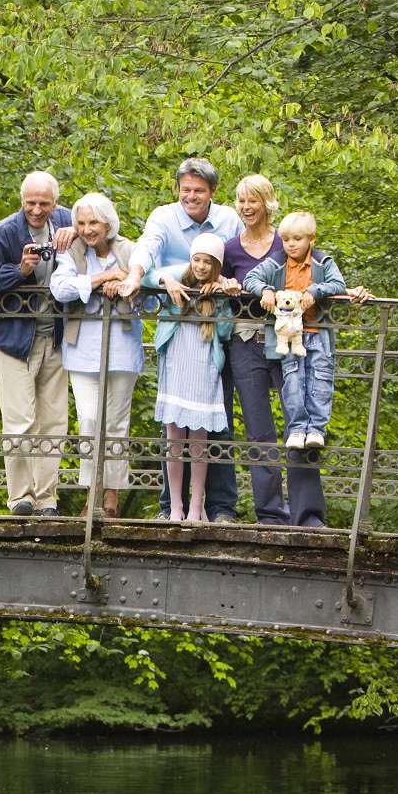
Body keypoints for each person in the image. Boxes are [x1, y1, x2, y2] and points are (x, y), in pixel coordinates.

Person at [128, 158, 241, 521]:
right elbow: (145, 251)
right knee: (175, 425)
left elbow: (237, 265)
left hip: (215, 331)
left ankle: (218, 506)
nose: (190, 196)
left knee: (215, 420)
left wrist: (227, 284)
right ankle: (170, 506)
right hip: (177, 330)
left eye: (199, 191)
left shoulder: (228, 220)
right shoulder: (164, 217)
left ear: (212, 193)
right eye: (185, 189)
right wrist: (164, 278)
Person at [0, 171, 75, 517]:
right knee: (19, 421)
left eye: (44, 203)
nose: (37, 209)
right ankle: (20, 498)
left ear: (55, 203)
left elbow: (102, 234)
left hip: (56, 337)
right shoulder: (4, 233)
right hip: (15, 340)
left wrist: (75, 232)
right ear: (22, 201)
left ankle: (47, 499)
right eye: (30, 202)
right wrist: (20, 271)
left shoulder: (65, 221)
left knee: (54, 421)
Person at [243, 211, 370, 466]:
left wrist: (314, 290)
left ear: (311, 240)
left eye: (297, 239)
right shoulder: (277, 261)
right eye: (287, 239)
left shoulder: (323, 262)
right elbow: (250, 278)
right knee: (293, 380)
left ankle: (316, 430)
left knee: (320, 379)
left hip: (317, 332)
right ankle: (297, 428)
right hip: (289, 334)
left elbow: (337, 283)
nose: (291, 244)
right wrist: (265, 290)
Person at [48, 192, 142, 519]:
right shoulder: (73, 251)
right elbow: (60, 290)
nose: (88, 230)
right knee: (89, 421)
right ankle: (92, 493)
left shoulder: (129, 250)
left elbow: (143, 286)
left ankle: (112, 496)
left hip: (122, 348)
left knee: (116, 423)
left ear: (108, 223)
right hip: (82, 349)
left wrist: (126, 280)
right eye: (82, 223)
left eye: (94, 223)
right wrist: (103, 278)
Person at [218, 174, 303, 525]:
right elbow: (212, 281)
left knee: (298, 422)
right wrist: (225, 283)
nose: (246, 207)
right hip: (244, 341)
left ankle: (303, 511)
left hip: (284, 339)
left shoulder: (283, 245)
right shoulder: (230, 248)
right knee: (259, 429)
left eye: (253, 200)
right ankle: (270, 513)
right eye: (241, 200)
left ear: (267, 203)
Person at [151, 234, 233, 523]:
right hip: (176, 362)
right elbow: (148, 275)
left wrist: (221, 297)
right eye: (197, 259)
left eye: (207, 262)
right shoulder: (179, 280)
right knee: (174, 439)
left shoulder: (217, 291)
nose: (200, 266)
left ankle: (197, 508)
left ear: (216, 266)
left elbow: (223, 334)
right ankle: (175, 506)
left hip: (203, 367)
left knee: (199, 441)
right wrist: (167, 282)